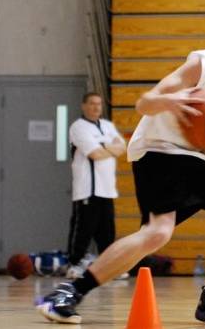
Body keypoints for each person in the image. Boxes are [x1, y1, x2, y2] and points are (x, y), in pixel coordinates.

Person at [36, 11, 205, 325]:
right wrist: (171, 101)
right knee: (157, 233)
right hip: (160, 149)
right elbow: (145, 103)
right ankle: (69, 292)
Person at [66, 92, 126, 279]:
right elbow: (95, 154)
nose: (96, 107)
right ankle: (75, 264)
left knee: (107, 231)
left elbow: (122, 148)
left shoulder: (108, 126)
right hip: (87, 188)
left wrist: (105, 148)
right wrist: (110, 149)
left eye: (99, 104)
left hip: (107, 188)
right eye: (92, 104)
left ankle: (108, 268)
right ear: (84, 106)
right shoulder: (78, 127)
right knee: (84, 228)